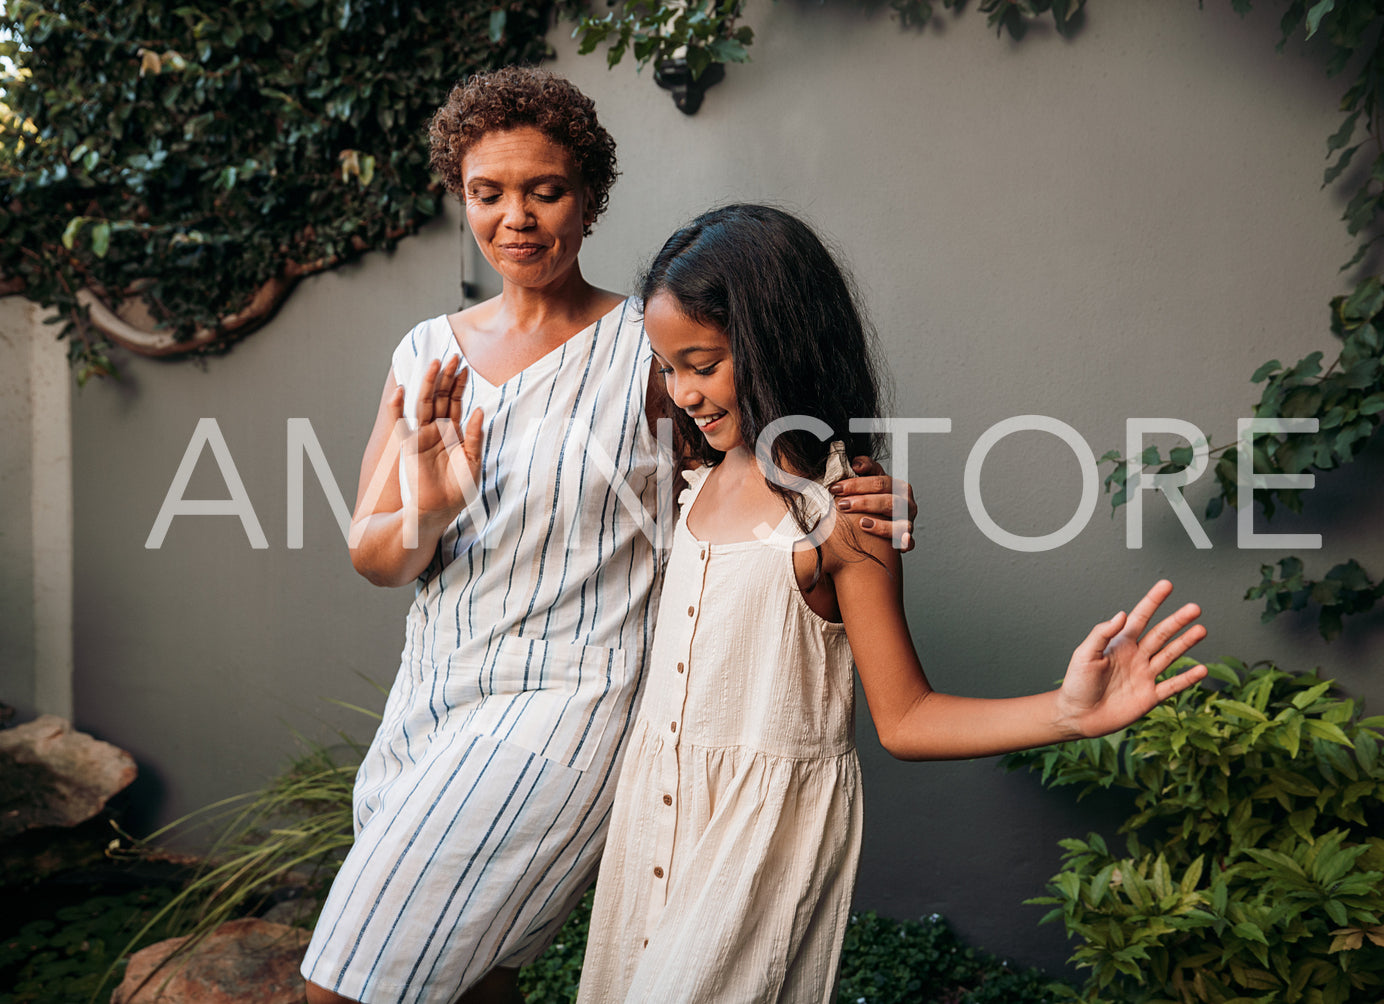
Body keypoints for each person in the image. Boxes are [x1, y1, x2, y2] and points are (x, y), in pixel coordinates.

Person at [300, 72, 912, 1004]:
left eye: (544, 190)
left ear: (589, 197)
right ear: (459, 197)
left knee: (346, 986)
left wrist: (851, 491)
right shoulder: (425, 352)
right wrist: (432, 503)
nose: (516, 217)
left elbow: (747, 468)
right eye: (487, 193)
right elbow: (373, 555)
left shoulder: (653, 349)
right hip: (432, 698)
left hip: (564, 707)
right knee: (465, 977)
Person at [575, 204, 1210, 1003]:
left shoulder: (846, 509)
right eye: (667, 367)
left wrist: (1068, 712)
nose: (682, 391)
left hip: (753, 841)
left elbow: (905, 719)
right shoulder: (692, 475)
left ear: (775, 344)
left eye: (701, 363)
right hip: (653, 820)